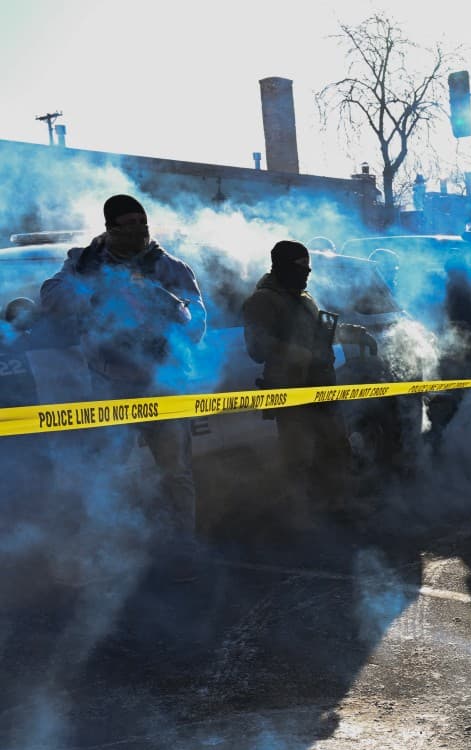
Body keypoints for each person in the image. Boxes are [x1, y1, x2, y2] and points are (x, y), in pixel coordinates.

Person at [40, 193, 206, 539]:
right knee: (110, 471)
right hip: (110, 381)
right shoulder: (85, 264)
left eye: (142, 223)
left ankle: (184, 546)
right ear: (110, 228)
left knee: (175, 472)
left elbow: (198, 320)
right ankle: (113, 549)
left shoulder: (169, 267)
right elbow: (51, 295)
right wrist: (92, 296)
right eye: (129, 224)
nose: (138, 230)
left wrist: (173, 325)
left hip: (162, 381)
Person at [242, 240, 357, 515]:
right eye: (299, 266)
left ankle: (339, 509)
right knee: (298, 458)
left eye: (308, 266)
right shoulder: (262, 301)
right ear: (281, 266)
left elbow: (319, 334)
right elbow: (256, 348)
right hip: (292, 389)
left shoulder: (305, 297)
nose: (307, 272)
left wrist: (352, 332)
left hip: (323, 386)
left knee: (337, 450)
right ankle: (299, 517)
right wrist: (290, 351)